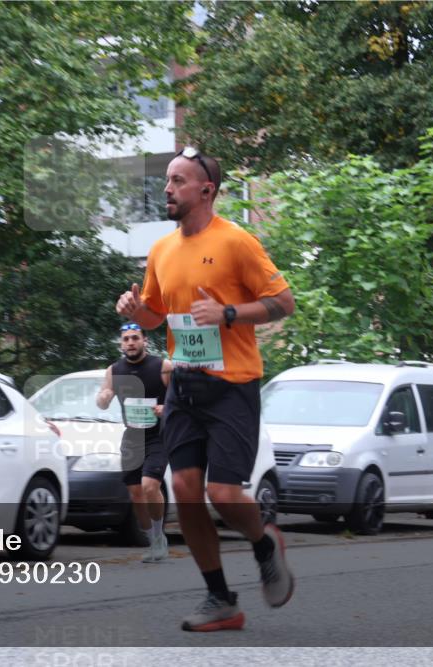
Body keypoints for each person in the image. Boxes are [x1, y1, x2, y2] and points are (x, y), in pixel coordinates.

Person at [115, 146, 296, 632]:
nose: (167, 189)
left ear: (206, 190)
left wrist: (229, 313)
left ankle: (264, 543)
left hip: (232, 385)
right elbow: (155, 315)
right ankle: (221, 599)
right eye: (167, 181)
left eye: (177, 181)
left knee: (221, 491)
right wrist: (136, 311)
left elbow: (283, 302)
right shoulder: (161, 250)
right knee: (185, 489)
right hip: (184, 385)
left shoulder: (237, 242)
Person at [95, 322, 173, 562]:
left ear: (144, 341)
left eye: (135, 338)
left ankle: (160, 537)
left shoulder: (163, 367)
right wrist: (105, 397)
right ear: (121, 343)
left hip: (159, 436)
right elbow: (102, 399)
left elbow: (181, 399)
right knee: (136, 493)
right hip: (132, 437)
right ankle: (153, 541)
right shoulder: (114, 370)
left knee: (150, 486)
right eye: (126, 339)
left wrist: (165, 407)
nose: (130, 342)